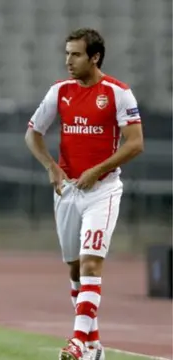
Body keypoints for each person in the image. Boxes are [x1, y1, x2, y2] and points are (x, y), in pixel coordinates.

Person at [24, 28, 144, 360]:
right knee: (76, 270)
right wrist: (51, 166)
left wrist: (97, 170)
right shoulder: (59, 92)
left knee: (92, 262)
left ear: (95, 57)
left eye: (75, 55)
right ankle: (94, 346)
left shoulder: (118, 93)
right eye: (66, 54)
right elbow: (33, 134)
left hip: (102, 191)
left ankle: (77, 342)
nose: (68, 61)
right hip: (67, 190)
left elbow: (135, 143)